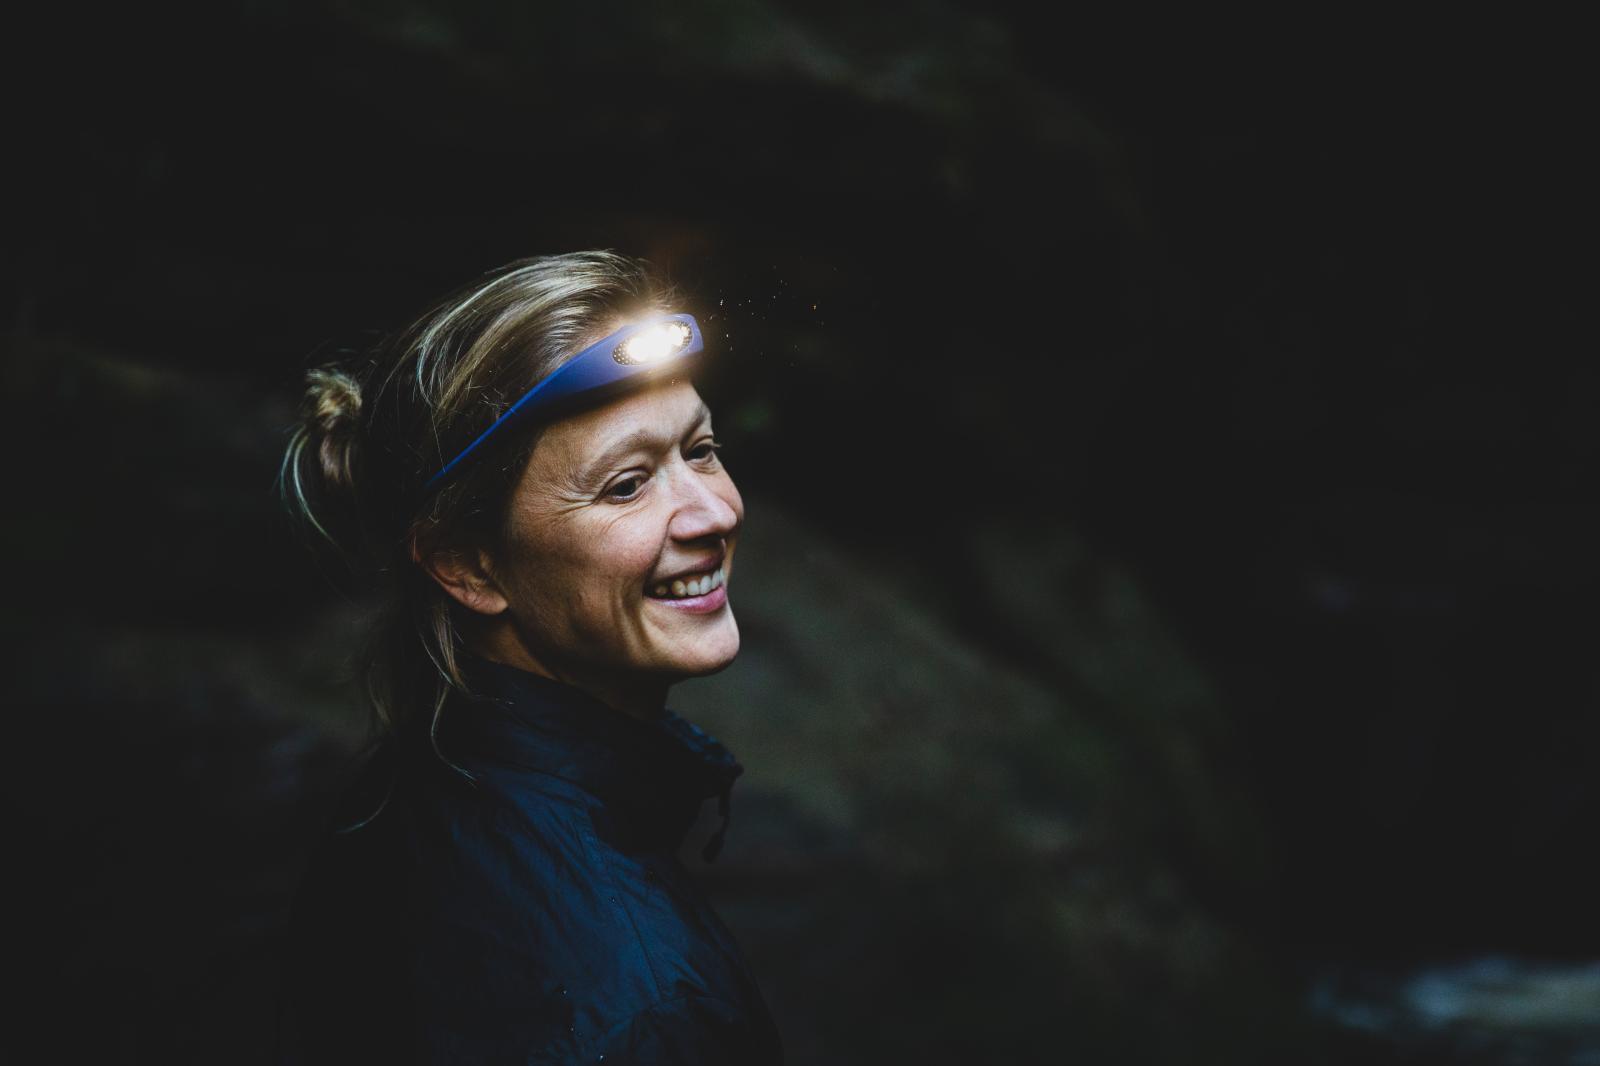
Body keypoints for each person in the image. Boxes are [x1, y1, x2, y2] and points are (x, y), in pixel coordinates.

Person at [273, 251, 782, 1064]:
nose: (712, 513)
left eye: (700, 449)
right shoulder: (645, 1011)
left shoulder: (408, 789)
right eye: (626, 485)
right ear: (468, 566)